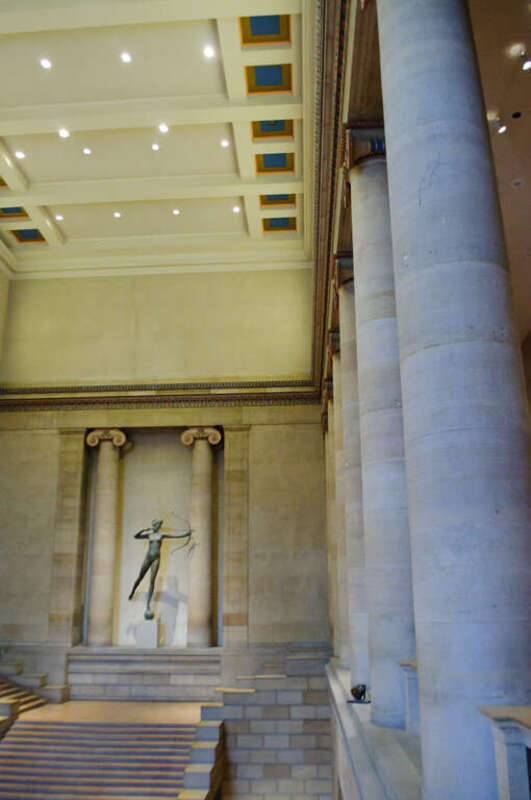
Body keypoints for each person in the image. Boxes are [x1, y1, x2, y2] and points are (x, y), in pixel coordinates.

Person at [128, 518, 191, 619]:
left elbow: (175, 536)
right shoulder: (149, 535)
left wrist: (186, 534)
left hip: (156, 559)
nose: (159, 526)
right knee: (140, 577)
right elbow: (136, 536)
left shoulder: (161, 535)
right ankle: (132, 591)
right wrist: (143, 530)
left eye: (160, 525)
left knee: (152, 581)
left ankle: (148, 605)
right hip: (148, 557)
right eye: (158, 524)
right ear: (154, 525)